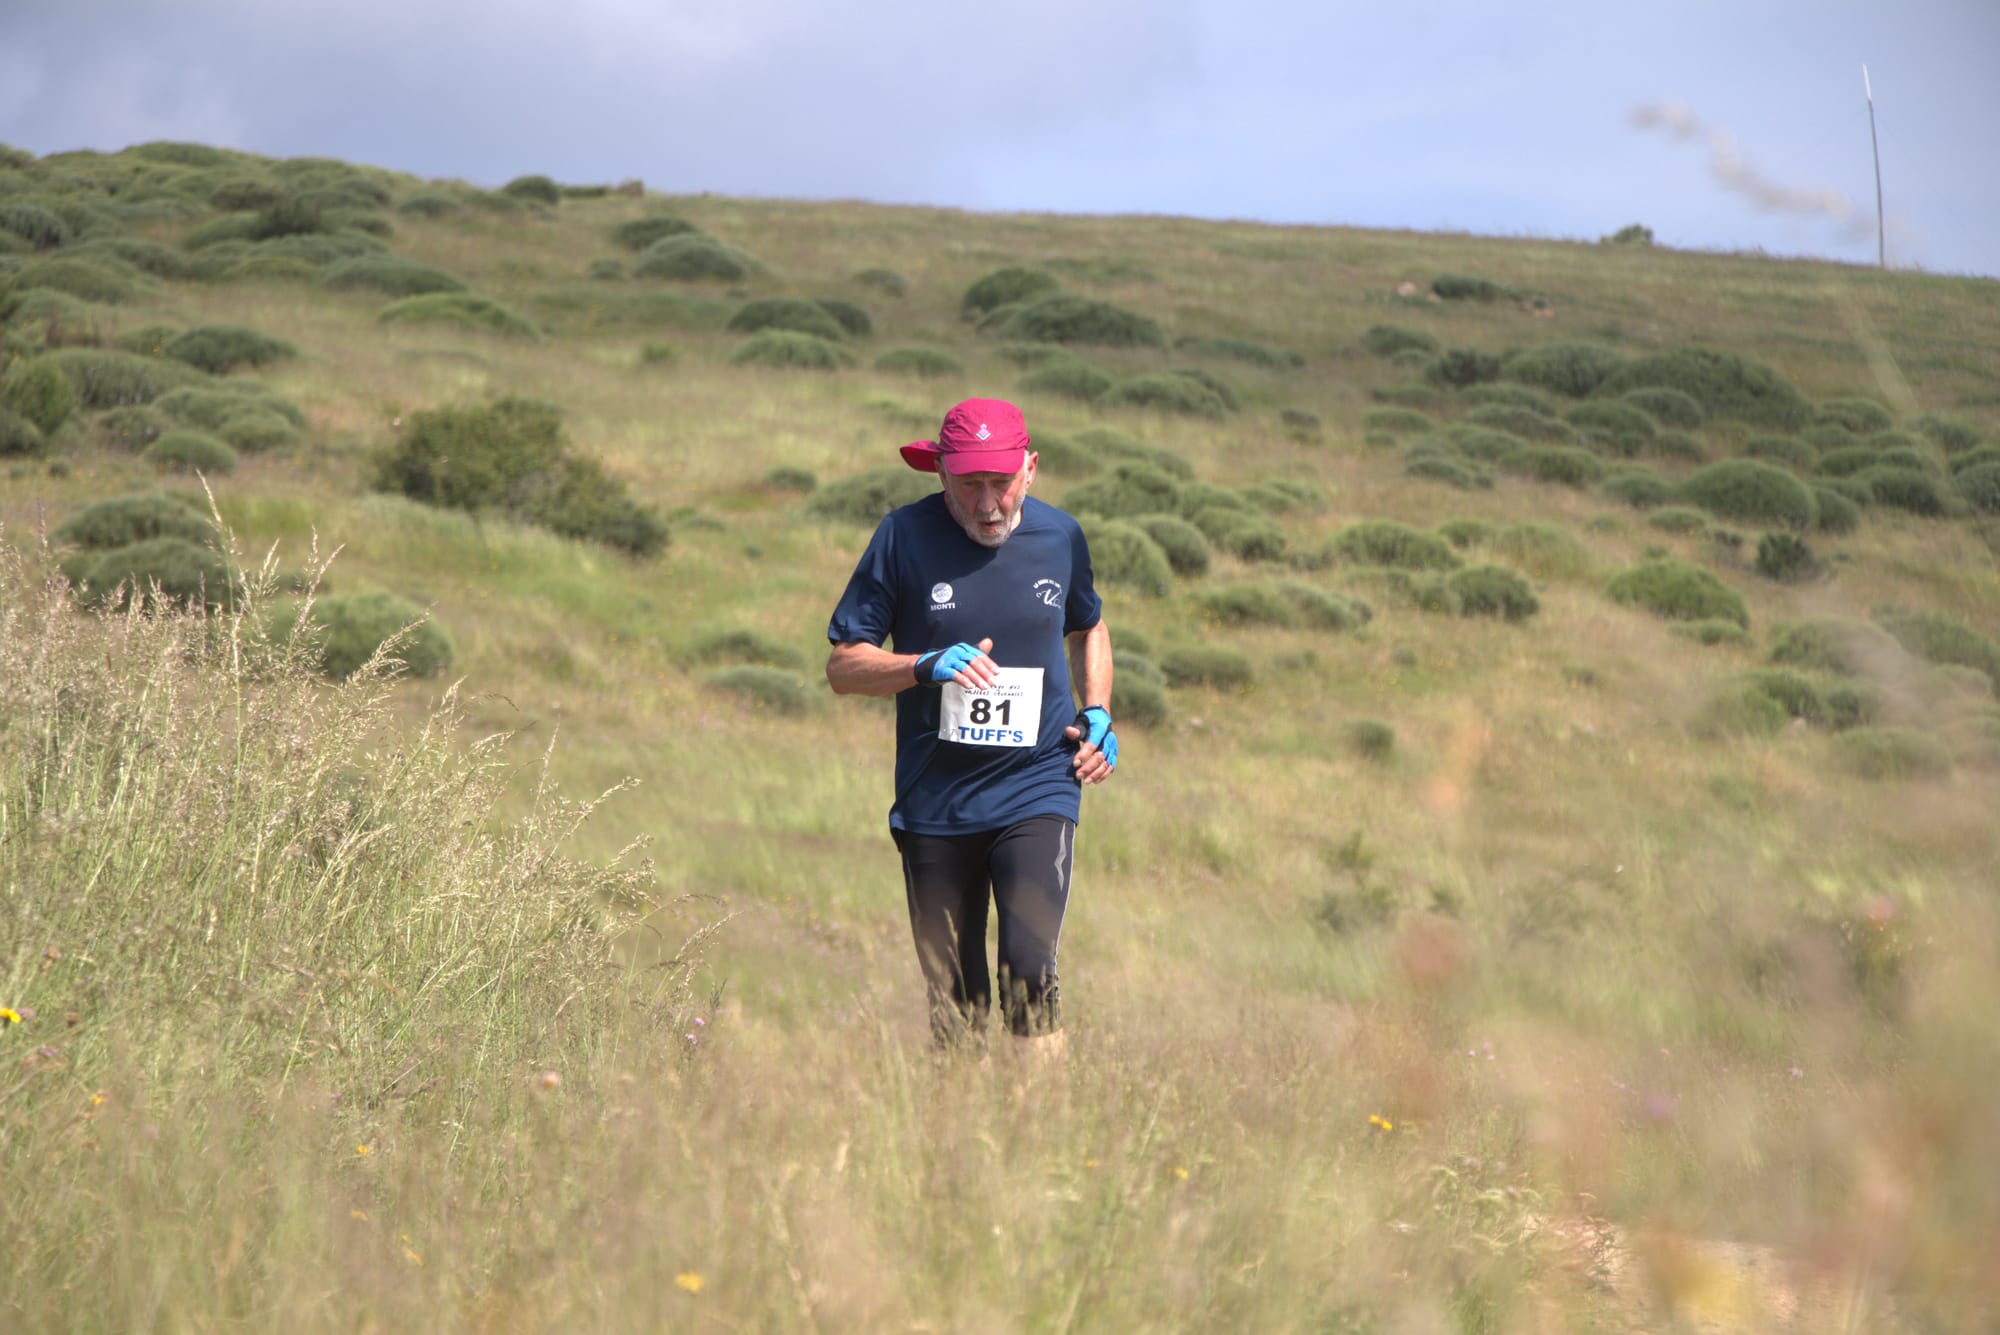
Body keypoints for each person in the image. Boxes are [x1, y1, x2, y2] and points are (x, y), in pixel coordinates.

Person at [825, 398, 1116, 1058]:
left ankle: (1037, 1147)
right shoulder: (902, 537)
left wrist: (1096, 710)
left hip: (1038, 783)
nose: (988, 504)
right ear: (942, 476)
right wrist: (922, 664)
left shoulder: (1061, 536)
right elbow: (843, 666)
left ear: (1031, 469)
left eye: (1002, 483)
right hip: (936, 800)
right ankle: (960, 1147)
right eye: (970, 484)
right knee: (955, 1001)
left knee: (1029, 969)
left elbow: (1088, 624)